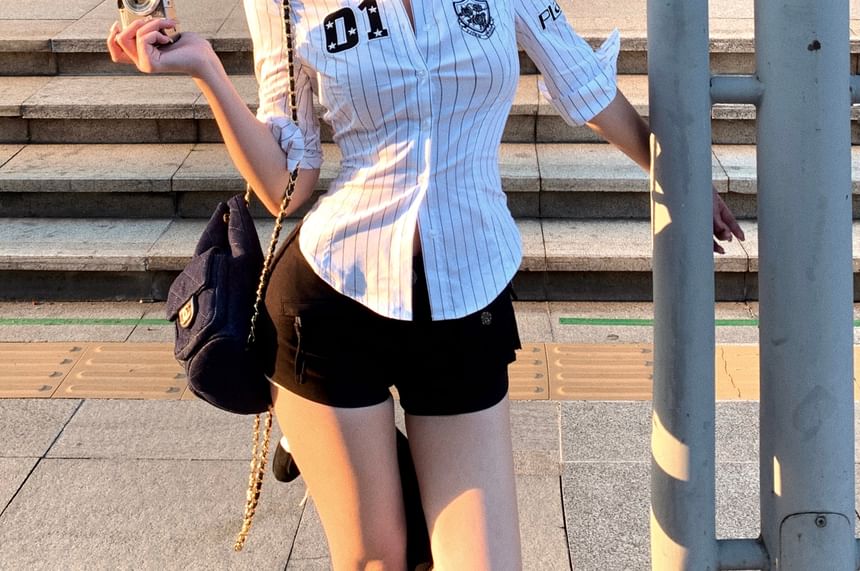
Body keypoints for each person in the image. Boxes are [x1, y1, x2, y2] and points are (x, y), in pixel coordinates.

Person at [107, 0, 743, 568]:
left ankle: (319, 439)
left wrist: (677, 179)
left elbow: (585, 84)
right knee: (375, 559)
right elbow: (287, 186)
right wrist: (207, 69)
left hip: (467, 296)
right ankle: (317, 430)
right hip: (330, 303)